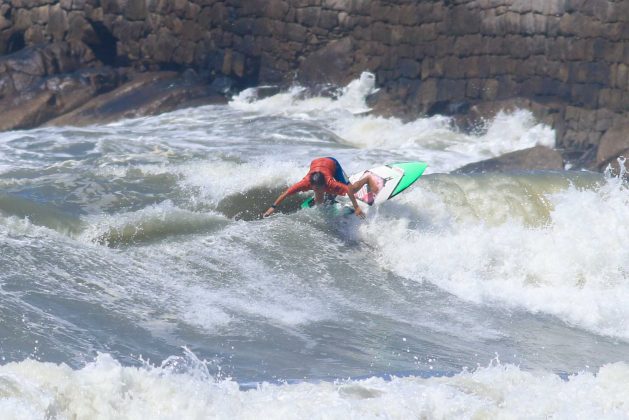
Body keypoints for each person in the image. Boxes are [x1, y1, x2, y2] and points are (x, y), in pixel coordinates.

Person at [263, 157, 380, 219]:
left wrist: (357, 207)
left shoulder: (330, 183)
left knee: (352, 189)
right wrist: (272, 207)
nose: (318, 191)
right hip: (317, 163)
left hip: (332, 163)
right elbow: (286, 193)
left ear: (325, 185)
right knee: (319, 200)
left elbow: (349, 191)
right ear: (311, 185)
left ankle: (367, 178)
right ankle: (329, 196)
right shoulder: (305, 183)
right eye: (315, 189)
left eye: (320, 189)